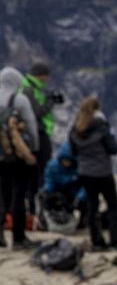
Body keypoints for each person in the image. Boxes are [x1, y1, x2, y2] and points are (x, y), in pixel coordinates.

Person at [68, 96, 117, 250]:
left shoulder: (75, 129)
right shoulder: (101, 127)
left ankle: (96, 241)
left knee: (92, 205)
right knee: (112, 206)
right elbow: (114, 149)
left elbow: (73, 151)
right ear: (98, 110)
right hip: (103, 171)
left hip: (85, 172)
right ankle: (114, 240)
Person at [1, 66, 42, 249]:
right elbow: (31, 126)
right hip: (17, 154)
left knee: (1, 194)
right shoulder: (19, 99)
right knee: (19, 194)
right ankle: (18, 238)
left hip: (0, 153)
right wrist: (33, 150)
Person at [21, 62, 60, 222]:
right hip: (37, 135)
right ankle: (36, 209)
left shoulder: (32, 88)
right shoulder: (29, 90)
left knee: (35, 175)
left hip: (36, 134)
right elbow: (38, 111)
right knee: (39, 173)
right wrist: (50, 101)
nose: (47, 79)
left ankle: (34, 207)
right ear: (40, 75)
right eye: (46, 76)